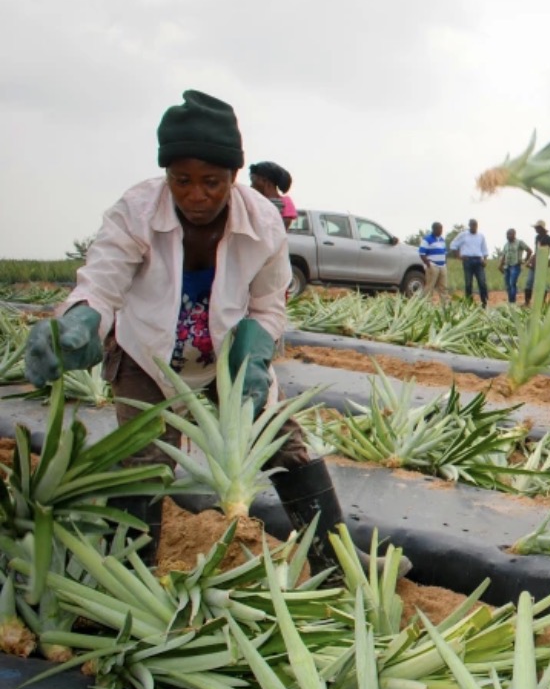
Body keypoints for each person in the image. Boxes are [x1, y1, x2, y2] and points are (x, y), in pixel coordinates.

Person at [22, 90, 407, 575]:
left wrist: (258, 346)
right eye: (181, 180)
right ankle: (129, 572)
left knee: (283, 444)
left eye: (212, 182)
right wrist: (79, 320)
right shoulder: (136, 211)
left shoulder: (264, 222)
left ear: (234, 177)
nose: (196, 195)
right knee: (142, 460)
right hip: (148, 354)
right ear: (167, 176)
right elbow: (101, 285)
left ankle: (338, 558)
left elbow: (269, 304)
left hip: (226, 356)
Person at [451, 218, 489, 307]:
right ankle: (469, 303)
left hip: (478, 260)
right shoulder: (463, 235)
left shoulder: (481, 236)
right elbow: (453, 245)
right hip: (467, 260)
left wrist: (485, 260)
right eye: (472, 225)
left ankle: (484, 302)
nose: (474, 227)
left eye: (475, 225)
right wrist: (458, 256)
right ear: (469, 226)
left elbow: (484, 249)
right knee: (468, 283)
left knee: (482, 282)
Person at [248, 161, 297, 228]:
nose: (251, 186)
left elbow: (281, 230)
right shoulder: (251, 200)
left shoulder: (286, 202)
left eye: (253, 180)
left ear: (264, 181)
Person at [524, 219, 550, 306]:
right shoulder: (537, 237)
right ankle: (527, 302)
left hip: (542, 263)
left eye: (536, 228)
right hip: (534, 263)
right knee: (529, 282)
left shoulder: (548, 238)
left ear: (541, 228)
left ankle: (542, 303)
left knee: (542, 283)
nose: (535, 229)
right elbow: (536, 251)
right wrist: (529, 261)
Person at [497, 228, 532, 305]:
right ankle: (511, 301)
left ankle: (513, 302)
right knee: (508, 285)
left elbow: (529, 250)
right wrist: (500, 265)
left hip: (515, 266)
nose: (508, 236)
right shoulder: (506, 245)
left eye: (510, 234)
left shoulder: (519, 242)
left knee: (512, 283)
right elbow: (504, 255)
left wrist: (525, 261)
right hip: (507, 267)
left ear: (514, 235)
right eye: (507, 234)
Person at [419, 222, 450, 303]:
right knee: (430, 286)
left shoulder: (442, 240)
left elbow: (444, 252)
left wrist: (444, 262)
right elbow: (422, 253)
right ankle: (426, 303)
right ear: (434, 229)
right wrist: (428, 264)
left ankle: (445, 305)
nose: (441, 231)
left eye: (441, 229)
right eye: (439, 229)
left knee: (443, 286)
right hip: (432, 265)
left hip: (442, 265)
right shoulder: (427, 239)